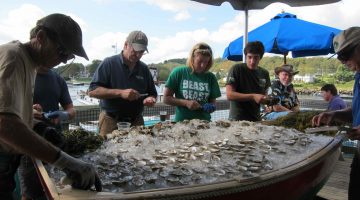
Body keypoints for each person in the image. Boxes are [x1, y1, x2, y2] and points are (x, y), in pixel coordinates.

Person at [0, 13, 101, 199]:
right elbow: (4, 123)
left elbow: (8, 110)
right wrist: (65, 161)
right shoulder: (13, 56)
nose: (64, 60)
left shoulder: (29, 63)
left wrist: (28, 114)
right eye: (62, 52)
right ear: (40, 37)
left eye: (69, 56)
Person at [312, 27, 360, 200]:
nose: (343, 61)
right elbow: (356, 111)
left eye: (346, 54)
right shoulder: (358, 76)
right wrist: (335, 115)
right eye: (340, 56)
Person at [18, 66, 76, 200]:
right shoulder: (22, 75)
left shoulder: (58, 79)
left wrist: (64, 115)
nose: (64, 60)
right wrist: (28, 110)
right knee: (29, 193)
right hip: (28, 144)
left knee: (58, 189)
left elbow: (72, 110)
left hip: (56, 143)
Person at [88, 30, 157, 137]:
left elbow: (152, 93)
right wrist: (120, 93)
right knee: (106, 152)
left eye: (142, 51)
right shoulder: (109, 63)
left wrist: (150, 99)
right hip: (110, 121)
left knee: (139, 152)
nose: (138, 55)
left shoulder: (144, 69)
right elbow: (92, 91)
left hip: (136, 121)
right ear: (126, 45)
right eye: (136, 50)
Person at [163, 42, 221, 122]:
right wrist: (185, 103)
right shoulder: (178, 72)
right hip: (182, 124)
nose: (203, 65)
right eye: (200, 61)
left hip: (205, 123)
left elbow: (213, 103)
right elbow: (166, 99)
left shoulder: (211, 77)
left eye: (206, 62)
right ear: (192, 58)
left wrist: (211, 107)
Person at [225, 41, 271, 122]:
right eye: (249, 57)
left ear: (260, 57)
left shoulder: (265, 73)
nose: (252, 61)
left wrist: (268, 102)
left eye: (256, 57)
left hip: (256, 119)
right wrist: (253, 96)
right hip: (236, 120)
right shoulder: (236, 69)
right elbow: (229, 95)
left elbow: (264, 96)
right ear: (245, 56)